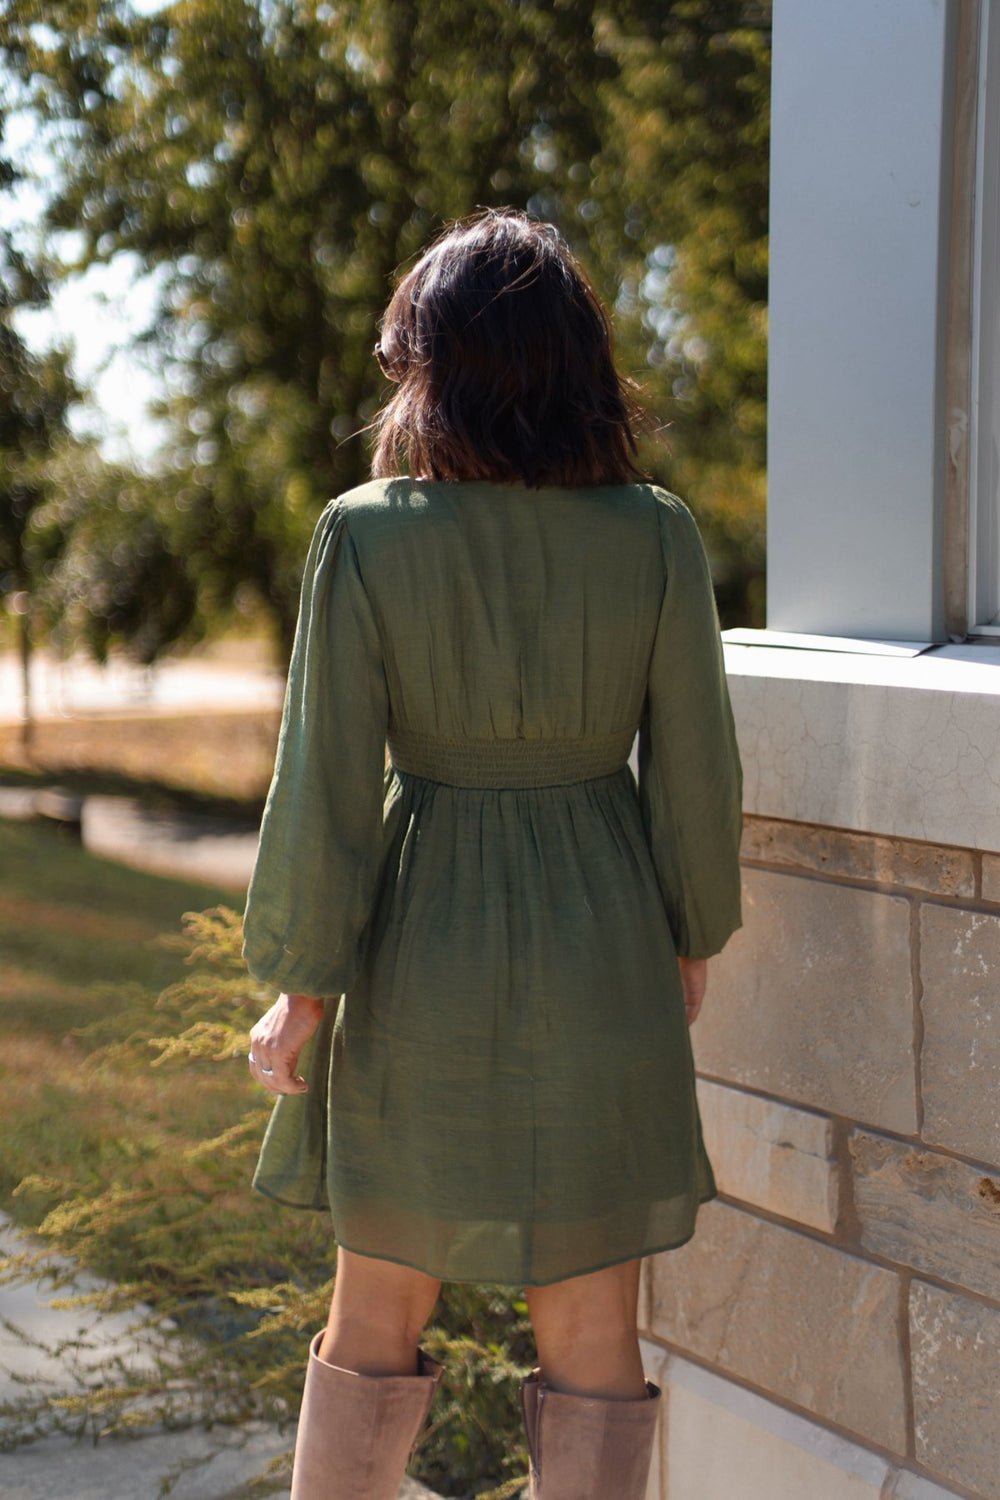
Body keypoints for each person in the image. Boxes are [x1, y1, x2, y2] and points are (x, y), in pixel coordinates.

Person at [242, 209, 743, 1500]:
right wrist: (686, 936)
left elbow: (330, 792)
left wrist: (301, 987)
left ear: (439, 369)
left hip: (425, 962)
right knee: (593, 1343)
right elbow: (698, 774)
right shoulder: (658, 536)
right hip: (605, 957)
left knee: (372, 1326)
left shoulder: (366, 536)